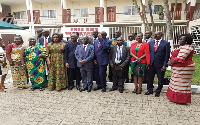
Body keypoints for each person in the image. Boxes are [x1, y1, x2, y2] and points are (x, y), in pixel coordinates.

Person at [166, 34, 195, 104]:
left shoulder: (187, 47)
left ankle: (181, 100)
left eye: (181, 39)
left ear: (186, 41)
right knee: (175, 83)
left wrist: (170, 63)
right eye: (179, 39)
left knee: (181, 84)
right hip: (178, 68)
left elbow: (180, 58)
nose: (179, 40)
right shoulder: (183, 47)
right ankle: (174, 98)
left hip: (184, 68)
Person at [144, 31, 170, 97]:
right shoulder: (150, 43)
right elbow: (148, 53)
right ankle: (150, 90)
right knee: (150, 78)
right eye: (154, 34)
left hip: (160, 64)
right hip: (151, 64)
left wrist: (164, 65)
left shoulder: (166, 43)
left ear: (161, 35)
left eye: (157, 34)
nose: (155, 35)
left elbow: (167, 55)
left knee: (160, 78)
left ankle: (158, 91)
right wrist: (148, 63)